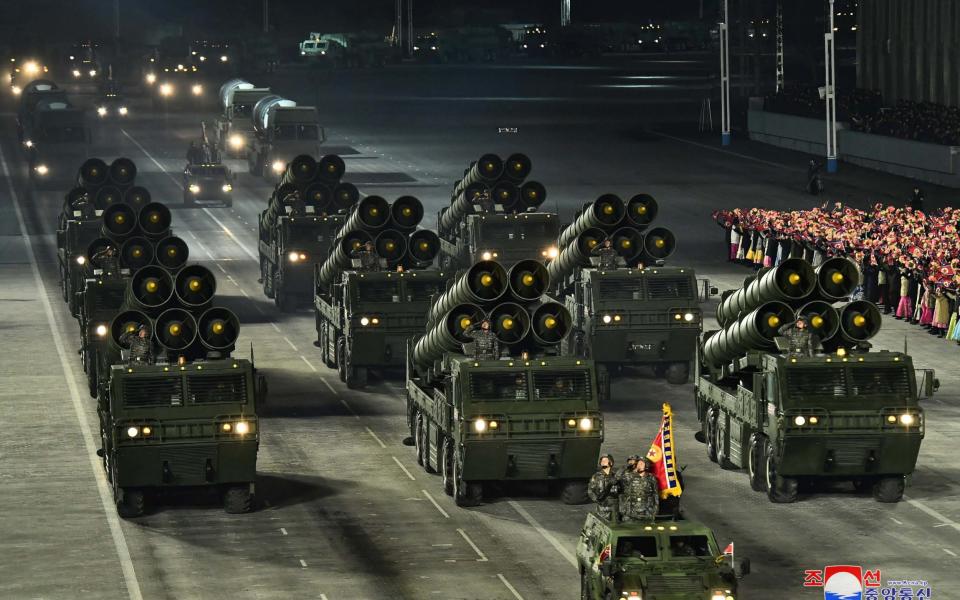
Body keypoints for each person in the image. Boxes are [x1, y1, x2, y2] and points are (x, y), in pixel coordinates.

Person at [619, 457, 659, 522]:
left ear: (646, 466)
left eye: (641, 464)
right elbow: (617, 479)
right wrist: (627, 467)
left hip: (647, 511)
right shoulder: (629, 476)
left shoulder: (651, 478)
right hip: (630, 511)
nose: (639, 465)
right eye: (638, 464)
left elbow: (655, 494)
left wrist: (656, 509)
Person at [587, 455, 619, 520]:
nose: (603, 462)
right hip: (602, 509)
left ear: (611, 463)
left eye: (605, 461)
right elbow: (590, 491)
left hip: (615, 509)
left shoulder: (616, 476)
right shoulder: (596, 476)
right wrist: (598, 500)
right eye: (602, 461)